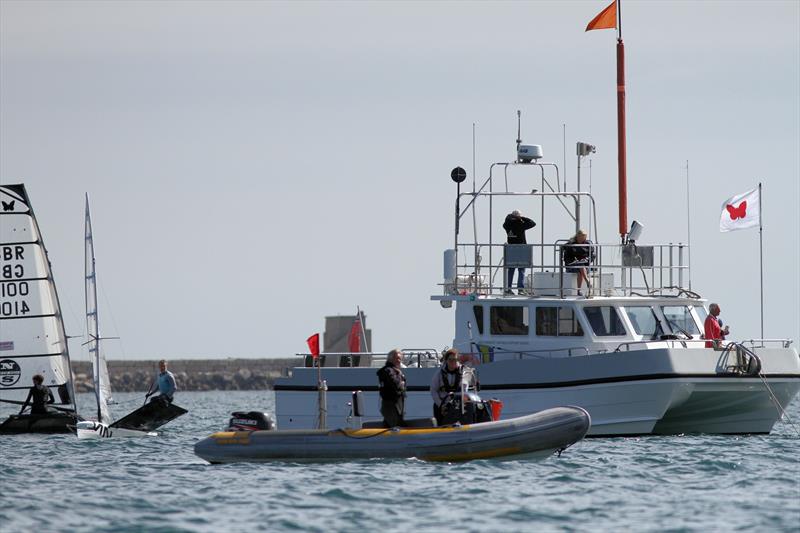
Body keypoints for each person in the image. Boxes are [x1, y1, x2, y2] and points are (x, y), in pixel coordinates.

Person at [503, 210, 536, 294]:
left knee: (511, 269)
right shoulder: (520, 224)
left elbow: (505, 221)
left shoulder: (506, 225)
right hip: (521, 248)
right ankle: (520, 289)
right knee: (521, 269)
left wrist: (511, 216)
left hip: (511, 249)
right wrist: (521, 218)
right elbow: (532, 223)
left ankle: (508, 289)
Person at [430, 348, 463, 425]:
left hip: (456, 405)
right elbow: (433, 390)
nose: (452, 362)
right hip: (441, 405)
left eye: (454, 359)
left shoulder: (463, 372)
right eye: (450, 359)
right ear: (446, 360)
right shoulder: (439, 373)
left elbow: (464, 389)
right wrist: (440, 404)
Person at [376, 349, 406, 427]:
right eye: (397, 358)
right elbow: (395, 384)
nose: (399, 361)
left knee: (389, 426)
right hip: (390, 405)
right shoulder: (389, 371)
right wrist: (402, 383)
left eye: (400, 358)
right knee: (395, 426)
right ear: (391, 359)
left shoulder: (394, 371)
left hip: (395, 405)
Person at [563, 229, 595, 295]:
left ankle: (579, 290)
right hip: (572, 266)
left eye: (583, 237)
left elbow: (592, 255)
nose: (581, 239)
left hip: (584, 266)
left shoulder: (588, 244)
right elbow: (566, 253)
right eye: (580, 237)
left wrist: (587, 260)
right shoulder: (571, 244)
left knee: (580, 268)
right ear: (577, 236)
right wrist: (574, 261)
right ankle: (587, 281)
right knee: (580, 266)